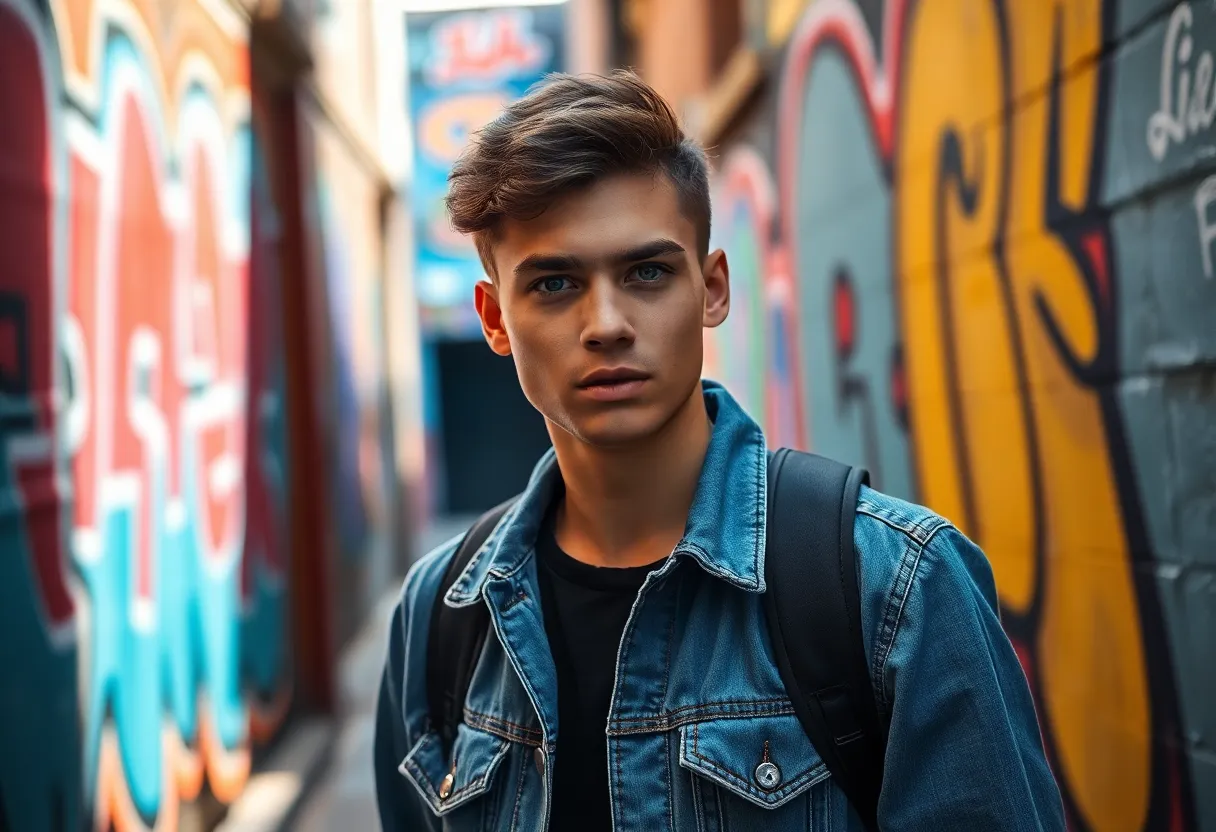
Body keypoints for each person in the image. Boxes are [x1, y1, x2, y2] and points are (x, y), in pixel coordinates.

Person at [374, 70, 1064, 831]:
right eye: (555, 284)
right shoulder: (439, 617)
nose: (606, 324)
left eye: (647, 272)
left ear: (712, 290)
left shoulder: (896, 588)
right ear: (494, 319)